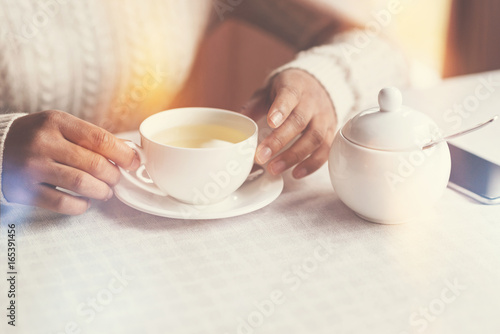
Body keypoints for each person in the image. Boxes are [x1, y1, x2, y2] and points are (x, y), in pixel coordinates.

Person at [0, 0, 408, 215]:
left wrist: (323, 79)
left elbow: (381, 43)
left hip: (145, 243)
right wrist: (4, 147)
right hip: (21, 228)